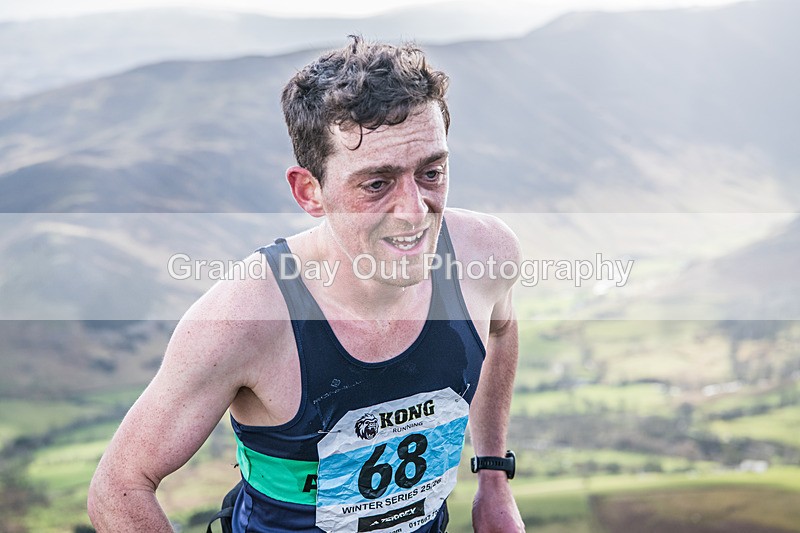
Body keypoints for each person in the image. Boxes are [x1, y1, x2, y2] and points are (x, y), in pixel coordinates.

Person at [88, 36, 525, 533]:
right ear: (309, 191)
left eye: (431, 172)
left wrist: (493, 476)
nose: (414, 211)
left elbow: (501, 329)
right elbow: (118, 487)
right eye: (376, 183)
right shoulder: (246, 317)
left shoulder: (485, 254)